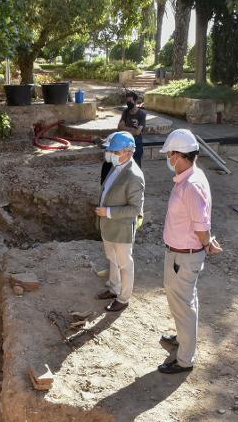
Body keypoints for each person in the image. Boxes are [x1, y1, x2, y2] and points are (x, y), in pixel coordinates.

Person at [158, 129, 223, 374]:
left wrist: (206, 243)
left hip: (184, 256)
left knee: (184, 305)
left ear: (179, 155)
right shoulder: (190, 177)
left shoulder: (191, 186)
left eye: (170, 154)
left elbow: (201, 226)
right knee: (184, 301)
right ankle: (183, 338)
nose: (168, 158)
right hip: (180, 254)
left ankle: (184, 359)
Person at [94, 132, 145, 312]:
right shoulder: (116, 167)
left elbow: (135, 209)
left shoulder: (134, 176)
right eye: (112, 151)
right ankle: (114, 289)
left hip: (122, 228)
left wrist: (107, 212)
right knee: (112, 260)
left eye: (115, 152)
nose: (111, 155)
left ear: (128, 152)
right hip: (109, 226)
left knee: (124, 264)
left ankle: (123, 299)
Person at [117, 91, 146, 166]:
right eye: (127, 101)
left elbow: (137, 132)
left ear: (135, 101)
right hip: (125, 143)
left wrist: (125, 128)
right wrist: (132, 129)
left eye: (130, 101)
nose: (128, 103)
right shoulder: (125, 112)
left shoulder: (141, 114)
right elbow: (119, 127)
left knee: (136, 165)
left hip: (137, 143)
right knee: (124, 165)